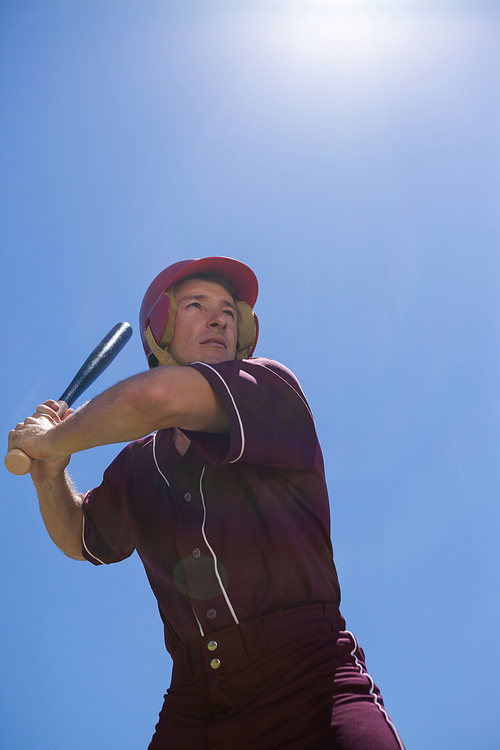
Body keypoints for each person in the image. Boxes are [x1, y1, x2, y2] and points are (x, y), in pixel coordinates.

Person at [8, 256, 405, 750]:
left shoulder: (268, 388)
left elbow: (150, 400)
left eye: (228, 312)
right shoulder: (137, 465)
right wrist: (51, 470)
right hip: (195, 704)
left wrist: (52, 437)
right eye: (197, 305)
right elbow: (79, 538)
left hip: (311, 678)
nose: (219, 318)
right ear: (161, 330)